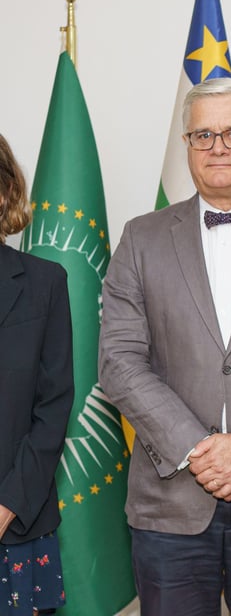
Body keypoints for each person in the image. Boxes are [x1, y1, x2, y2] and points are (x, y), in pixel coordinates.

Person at [98, 79, 231, 616]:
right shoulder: (141, 238)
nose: (218, 147)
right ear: (185, 145)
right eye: (202, 135)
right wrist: (202, 451)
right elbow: (119, 361)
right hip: (170, 507)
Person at [0, 134, 74, 616]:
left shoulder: (45, 282)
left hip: (17, 519)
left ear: (5, 193)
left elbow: (53, 407)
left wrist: (6, 505)